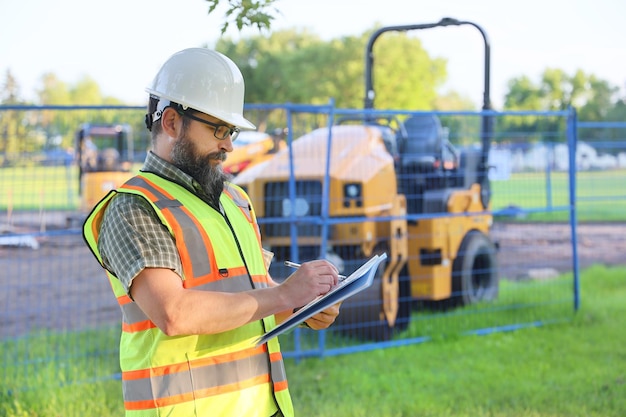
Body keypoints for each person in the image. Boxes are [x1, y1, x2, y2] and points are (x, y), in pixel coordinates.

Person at [83, 48, 341, 417]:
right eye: (218, 129)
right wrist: (285, 294)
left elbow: (255, 301)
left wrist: (303, 307)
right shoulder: (135, 206)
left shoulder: (235, 200)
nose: (229, 145)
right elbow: (174, 313)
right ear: (171, 122)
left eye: (231, 131)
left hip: (262, 407)